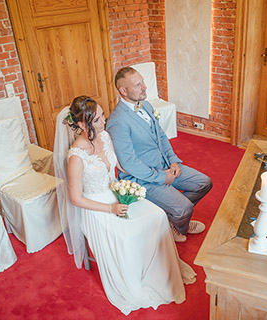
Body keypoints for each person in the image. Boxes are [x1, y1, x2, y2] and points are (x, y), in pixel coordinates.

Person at [53, 95, 196, 315]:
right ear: (82, 124)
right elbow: (76, 199)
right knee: (127, 235)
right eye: (98, 119)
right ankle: (137, 276)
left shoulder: (106, 136)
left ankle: (160, 270)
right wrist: (110, 208)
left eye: (103, 116)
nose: (104, 121)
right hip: (97, 206)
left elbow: (123, 166)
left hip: (118, 194)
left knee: (157, 215)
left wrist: (154, 176)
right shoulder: (76, 157)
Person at [106, 67, 213, 242]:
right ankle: (180, 222)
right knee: (185, 208)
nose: (144, 87)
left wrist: (173, 161)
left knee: (204, 183)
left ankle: (175, 220)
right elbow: (129, 162)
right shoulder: (117, 121)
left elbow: (161, 136)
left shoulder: (146, 105)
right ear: (123, 91)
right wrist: (161, 177)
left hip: (166, 166)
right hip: (143, 178)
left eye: (142, 81)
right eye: (137, 84)